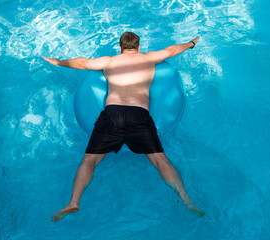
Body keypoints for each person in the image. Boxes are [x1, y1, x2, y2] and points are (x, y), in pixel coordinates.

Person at [43, 32, 204, 221]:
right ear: (138, 47)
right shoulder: (149, 58)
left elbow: (82, 63)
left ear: (120, 48)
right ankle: (186, 200)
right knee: (160, 160)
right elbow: (171, 50)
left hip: (112, 114)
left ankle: (73, 202)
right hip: (139, 114)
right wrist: (191, 43)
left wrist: (58, 62)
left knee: (89, 161)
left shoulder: (109, 61)